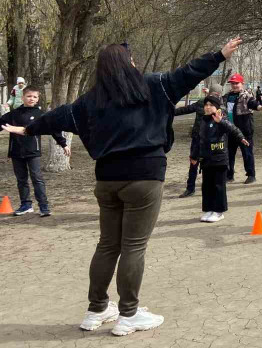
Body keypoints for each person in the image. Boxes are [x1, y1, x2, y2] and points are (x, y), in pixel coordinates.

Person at [3, 38, 242, 336]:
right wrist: (218, 55)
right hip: (144, 177)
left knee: (107, 244)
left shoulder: (90, 101)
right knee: (133, 246)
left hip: (107, 180)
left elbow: (55, 117)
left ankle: (97, 309)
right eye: (131, 60)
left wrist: (27, 128)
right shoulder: (155, 85)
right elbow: (189, 72)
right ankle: (128, 314)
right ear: (128, 63)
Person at [0, 86, 67, 216]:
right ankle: (25, 205)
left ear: (37, 99)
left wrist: (63, 144)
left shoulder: (40, 115)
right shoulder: (13, 114)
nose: (32, 99)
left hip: (33, 152)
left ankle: (44, 207)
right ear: (23, 97)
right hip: (16, 152)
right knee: (21, 180)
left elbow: (53, 129)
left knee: (37, 178)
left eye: (35, 97)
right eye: (29, 96)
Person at [190, 95, 248, 223]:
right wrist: (194, 156)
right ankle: (209, 209)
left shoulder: (221, 118)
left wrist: (239, 136)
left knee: (218, 186)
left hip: (219, 159)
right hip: (206, 159)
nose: (208, 107)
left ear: (217, 107)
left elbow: (232, 129)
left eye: (211, 105)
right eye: (206, 105)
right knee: (207, 186)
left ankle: (219, 211)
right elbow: (198, 140)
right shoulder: (202, 121)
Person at [174, 83, 224, 198]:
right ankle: (190, 188)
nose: (214, 97)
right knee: (193, 162)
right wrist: (170, 112)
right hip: (198, 138)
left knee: (212, 165)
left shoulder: (221, 105)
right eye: (213, 94)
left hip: (213, 141)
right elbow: (186, 109)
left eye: (217, 95)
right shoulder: (201, 102)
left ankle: (212, 189)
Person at [223, 73, 262, 184]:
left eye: (237, 83)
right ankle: (229, 175)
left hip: (245, 130)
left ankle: (251, 175)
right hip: (230, 130)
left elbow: (253, 103)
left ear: (242, 83)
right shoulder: (227, 96)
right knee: (229, 154)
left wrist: (260, 107)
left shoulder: (246, 95)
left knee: (247, 153)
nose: (234, 85)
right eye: (232, 83)